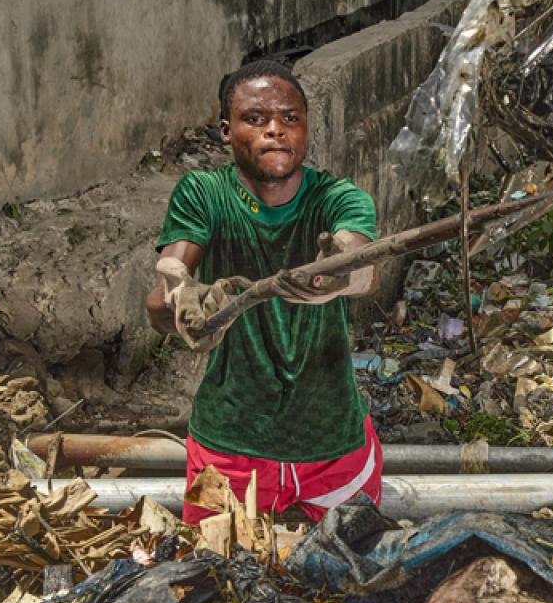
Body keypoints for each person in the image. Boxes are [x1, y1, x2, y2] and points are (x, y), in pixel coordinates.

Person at [145, 60, 384, 525]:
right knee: (219, 580)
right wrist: (179, 300)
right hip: (230, 446)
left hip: (332, 445)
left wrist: (339, 272)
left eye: (290, 118)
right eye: (256, 119)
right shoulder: (205, 193)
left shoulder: (338, 197)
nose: (276, 130)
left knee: (341, 581)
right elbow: (168, 282)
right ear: (225, 131)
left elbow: (362, 263)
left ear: (307, 128)